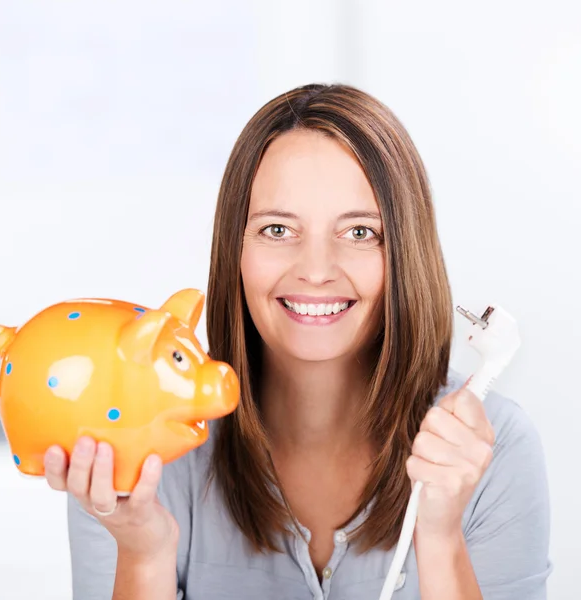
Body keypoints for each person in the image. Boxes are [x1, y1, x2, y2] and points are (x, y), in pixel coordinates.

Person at [43, 84, 553, 600]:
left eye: (359, 233)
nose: (315, 271)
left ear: (405, 252)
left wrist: (440, 539)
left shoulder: (495, 449)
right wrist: (143, 552)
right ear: (233, 249)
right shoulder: (137, 447)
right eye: (278, 229)